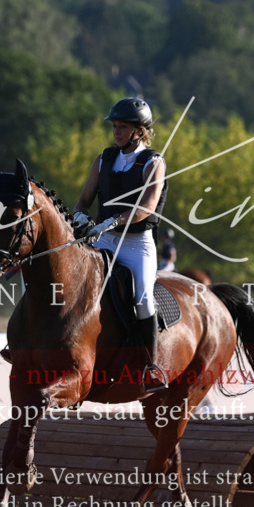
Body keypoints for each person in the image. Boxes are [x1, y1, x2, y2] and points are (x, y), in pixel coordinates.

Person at [72, 97, 168, 391]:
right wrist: (79, 216)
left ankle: (150, 367)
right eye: (114, 126)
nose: (116, 132)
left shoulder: (153, 162)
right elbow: (84, 200)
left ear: (140, 130)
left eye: (123, 127)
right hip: (104, 241)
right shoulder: (103, 159)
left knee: (143, 299)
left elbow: (148, 206)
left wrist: (113, 221)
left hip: (137, 245)